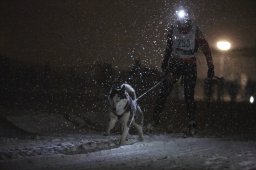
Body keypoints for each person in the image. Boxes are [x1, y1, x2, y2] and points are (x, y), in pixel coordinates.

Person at [152, 7, 215, 136]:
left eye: (184, 20)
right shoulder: (173, 30)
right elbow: (168, 48)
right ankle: (154, 121)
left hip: (189, 65)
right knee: (164, 91)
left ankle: (192, 124)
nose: (182, 23)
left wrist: (211, 67)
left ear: (188, 20)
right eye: (180, 20)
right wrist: (165, 63)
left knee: (188, 95)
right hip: (175, 64)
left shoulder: (195, 31)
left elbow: (206, 49)